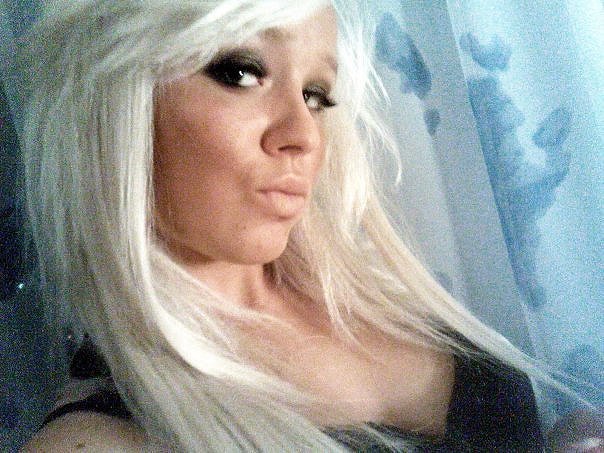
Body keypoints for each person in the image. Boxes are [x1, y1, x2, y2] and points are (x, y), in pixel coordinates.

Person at [17, 0, 552, 451]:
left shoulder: (360, 292)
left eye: (316, 95)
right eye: (241, 73)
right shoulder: (94, 440)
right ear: (116, 105)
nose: (305, 135)